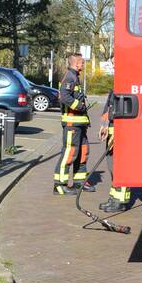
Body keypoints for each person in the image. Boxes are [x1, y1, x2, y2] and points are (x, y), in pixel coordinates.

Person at [54, 53, 94, 195]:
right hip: (72, 124)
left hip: (80, 125)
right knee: (69, 153)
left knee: (83, 152)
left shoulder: (75, 77)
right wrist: (80, 106)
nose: (83, 65)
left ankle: (79, 182)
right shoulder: (69, 77)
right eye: (82, 63)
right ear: (76, 64)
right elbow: (64, 97)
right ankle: (60, 185)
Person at [98, 90, 131, 213]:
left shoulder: (126, 85)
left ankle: (121, 201)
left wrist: (118, 132)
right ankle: (114, 198)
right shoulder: (115, 87)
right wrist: (104, 125)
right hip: (112, 131)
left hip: (121, 133)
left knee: (120, 167)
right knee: (112, 167)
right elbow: (108, 108)